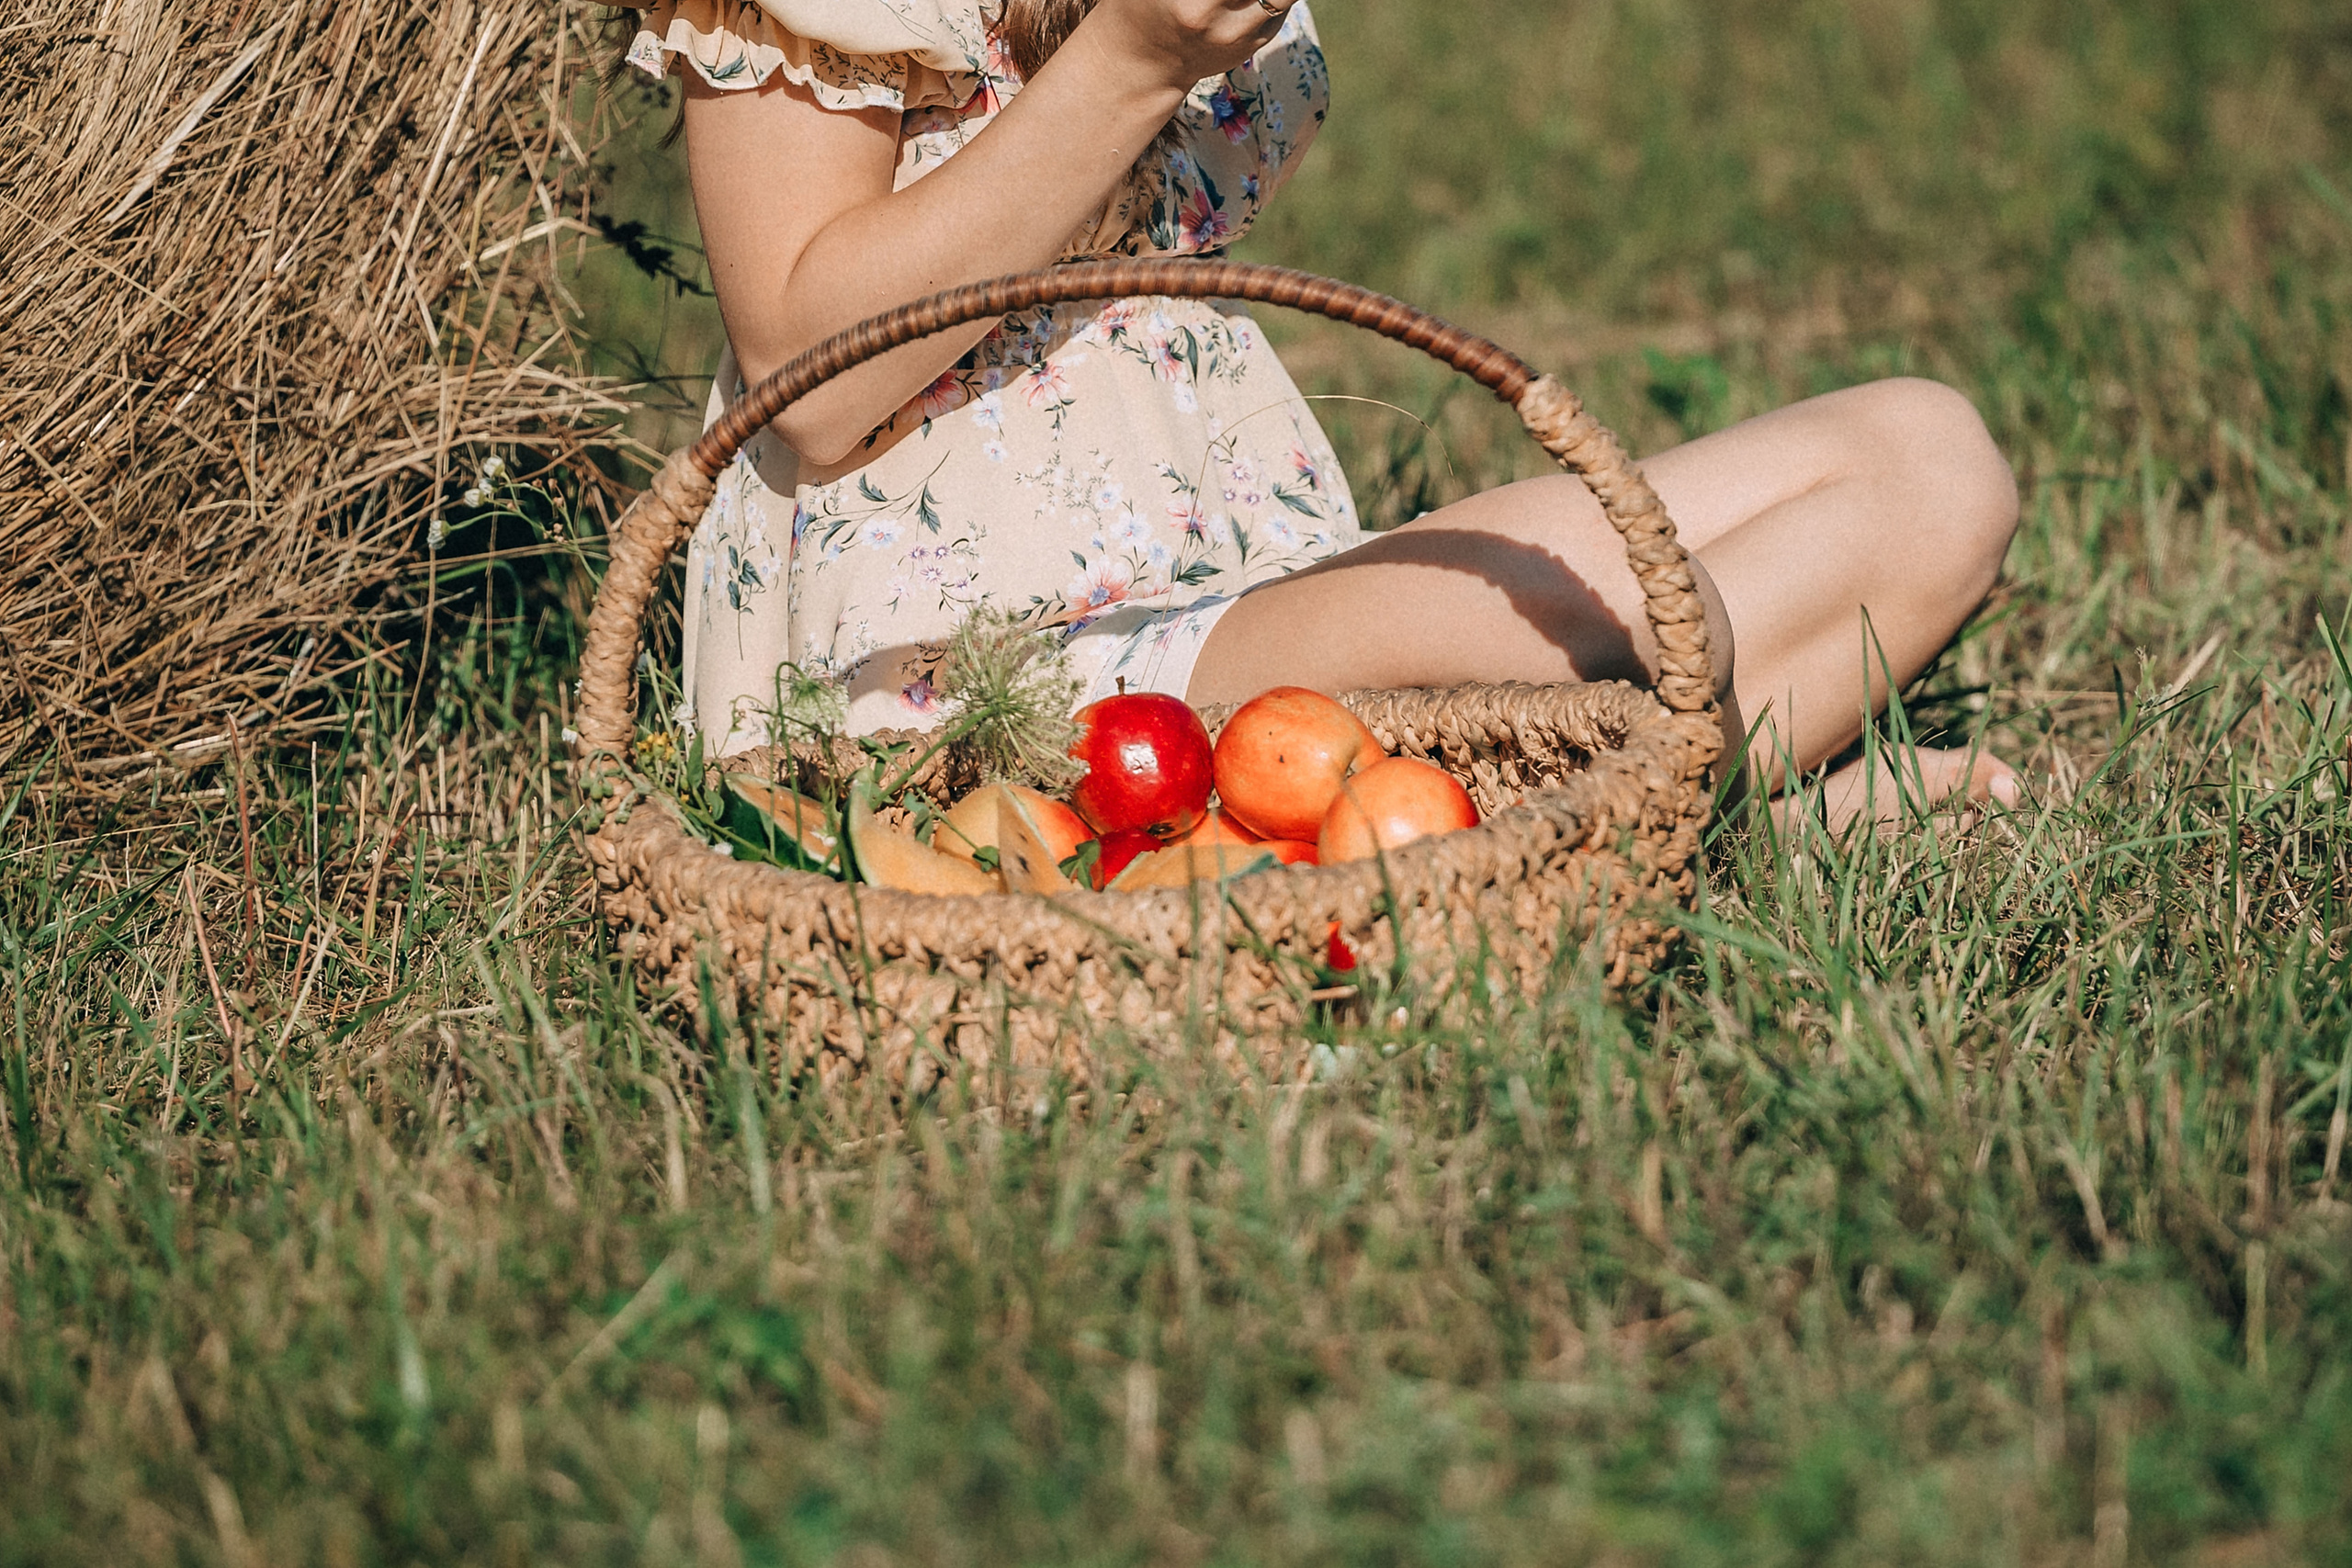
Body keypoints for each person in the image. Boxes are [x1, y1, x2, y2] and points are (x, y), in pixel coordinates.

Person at [625, 0, 2021, 825]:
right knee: (1622, 592)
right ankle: (1699, 827)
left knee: (1933, 465)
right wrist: (1131, 59)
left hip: (1223, 576)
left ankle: (1589, 813)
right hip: (969, 665)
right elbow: (812, 377)